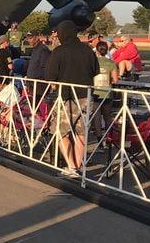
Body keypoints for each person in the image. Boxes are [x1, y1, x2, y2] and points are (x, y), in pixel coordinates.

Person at [45, 20, 100, 178]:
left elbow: (50, 76)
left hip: (67, 97)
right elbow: (95, 71)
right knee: (81, 132)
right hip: (86, 95)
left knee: (60, 131)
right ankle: (77, 165)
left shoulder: (59, 51)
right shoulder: (88, 50)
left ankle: (71, 165)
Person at [92, 41, 118, 143]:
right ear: (107, 51)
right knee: (107, 116)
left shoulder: (93, 62)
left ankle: (99, 137)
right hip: (107, 93)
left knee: (97, 116)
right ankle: (108, 137)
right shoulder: (111, 63)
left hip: (96, 92)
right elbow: (115, 80)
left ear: (97, 51)